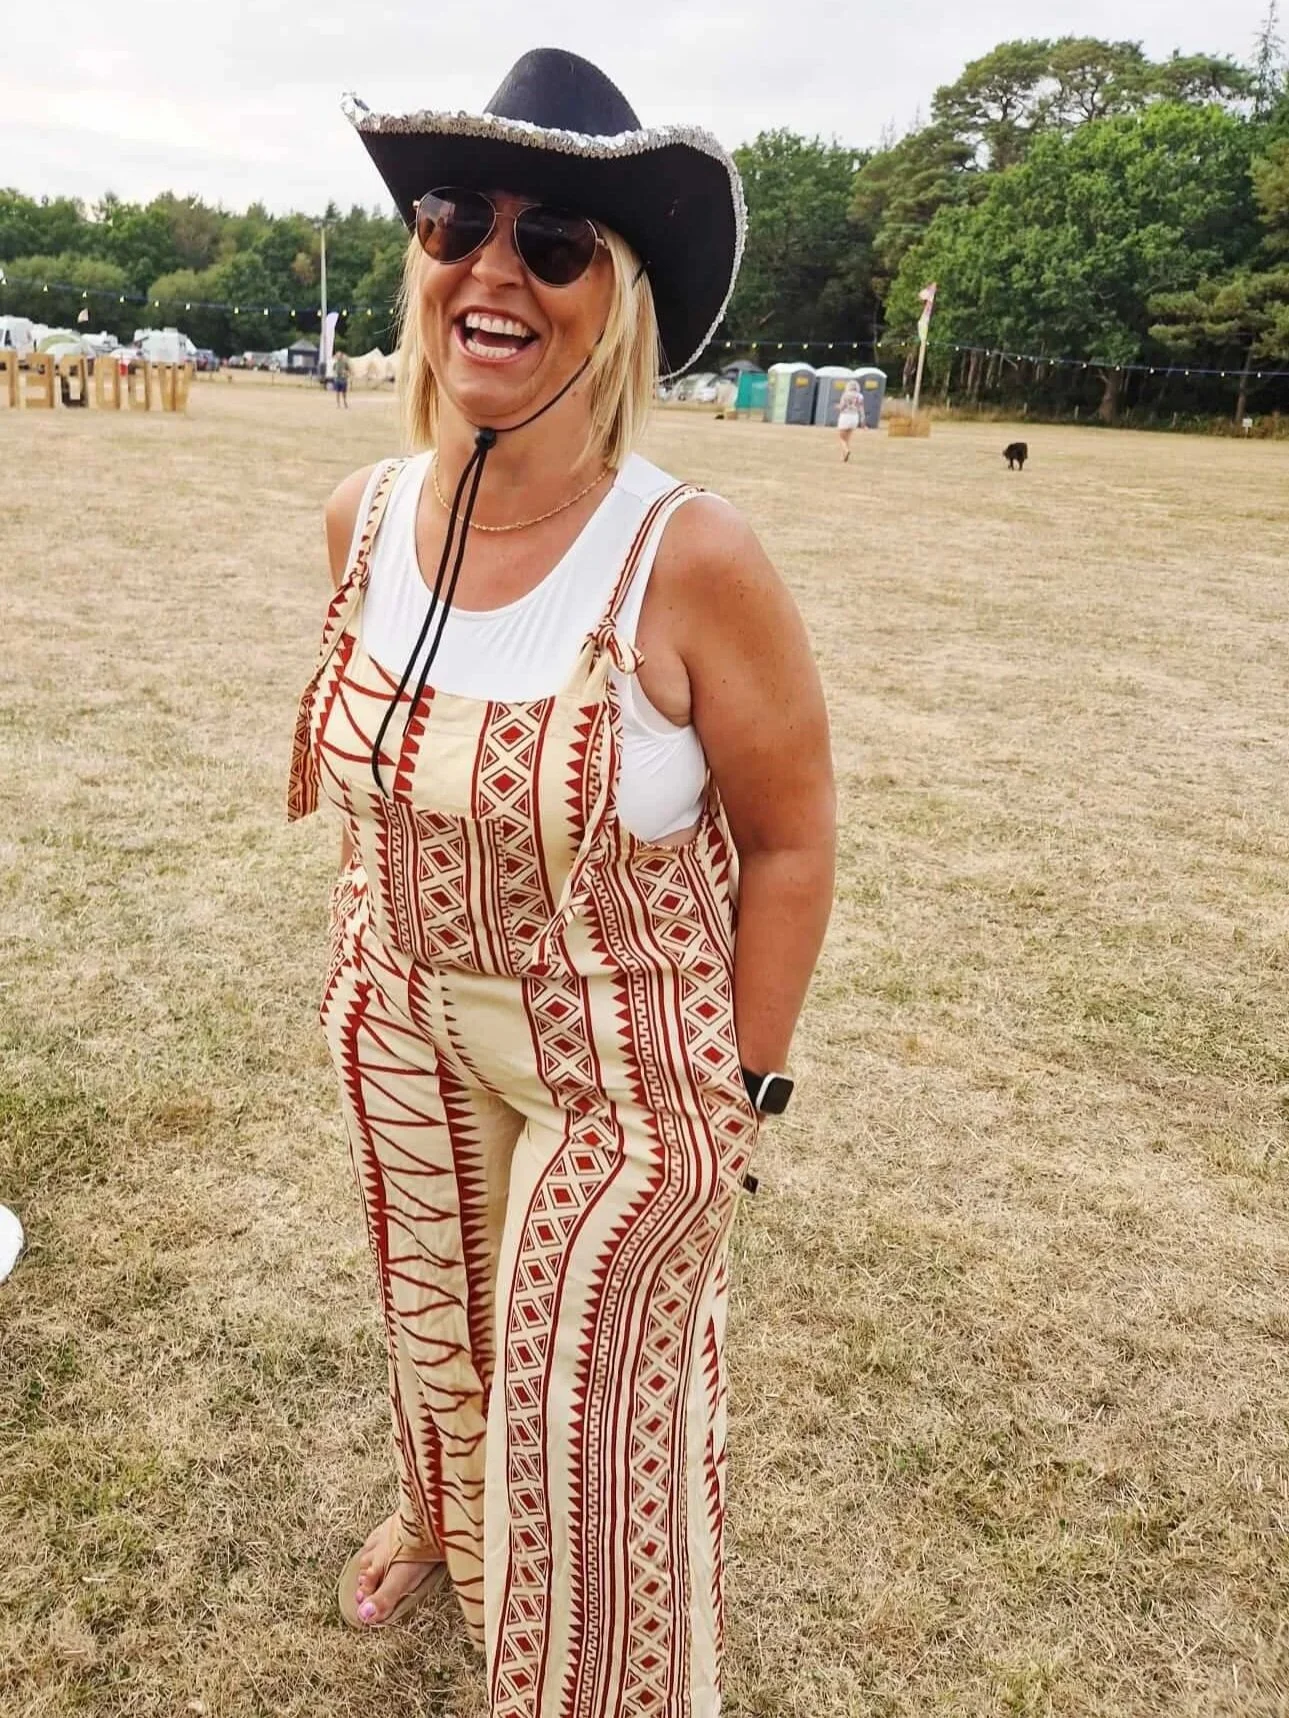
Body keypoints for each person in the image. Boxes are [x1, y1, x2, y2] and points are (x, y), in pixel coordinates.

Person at [288, 48, 835, 1716]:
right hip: (398, 1008)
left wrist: (741, 1087)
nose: (492, 270)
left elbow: (793, 836)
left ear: (621, 301)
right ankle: (440, 1518)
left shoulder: (689, 555)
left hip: (622, 1059)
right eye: (457, 222)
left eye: (553, 244)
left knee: (582, 1426)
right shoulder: (361, 517)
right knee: (437, 1330)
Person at [836, 377, 863, 459]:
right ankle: (844, 456)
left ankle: (846, 450)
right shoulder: (860, 396)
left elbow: (842, 407)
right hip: (855, 417)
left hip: (845, 416)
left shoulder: (845, 395)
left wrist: (837, 407)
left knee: (841, 438)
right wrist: (863, 421)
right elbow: (861, 408)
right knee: (847, 438)